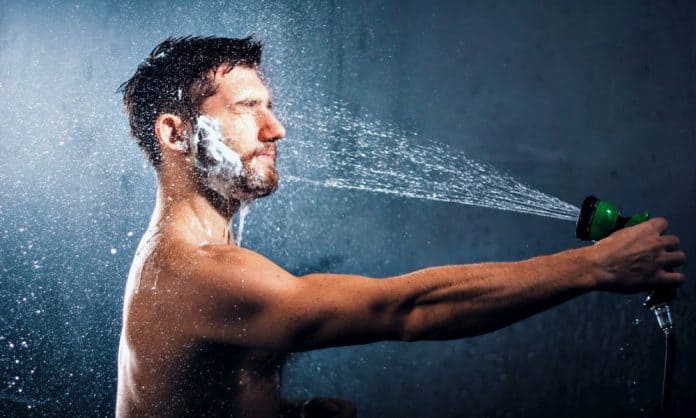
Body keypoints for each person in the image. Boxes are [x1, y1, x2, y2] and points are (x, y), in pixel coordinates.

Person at [115, 36, 686, 418]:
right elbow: (406, 311)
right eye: (247, 107)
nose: (276, 128)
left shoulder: (189, 258)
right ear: (176, 133)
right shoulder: (197, 272)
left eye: (270, 105)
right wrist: (595, 266)